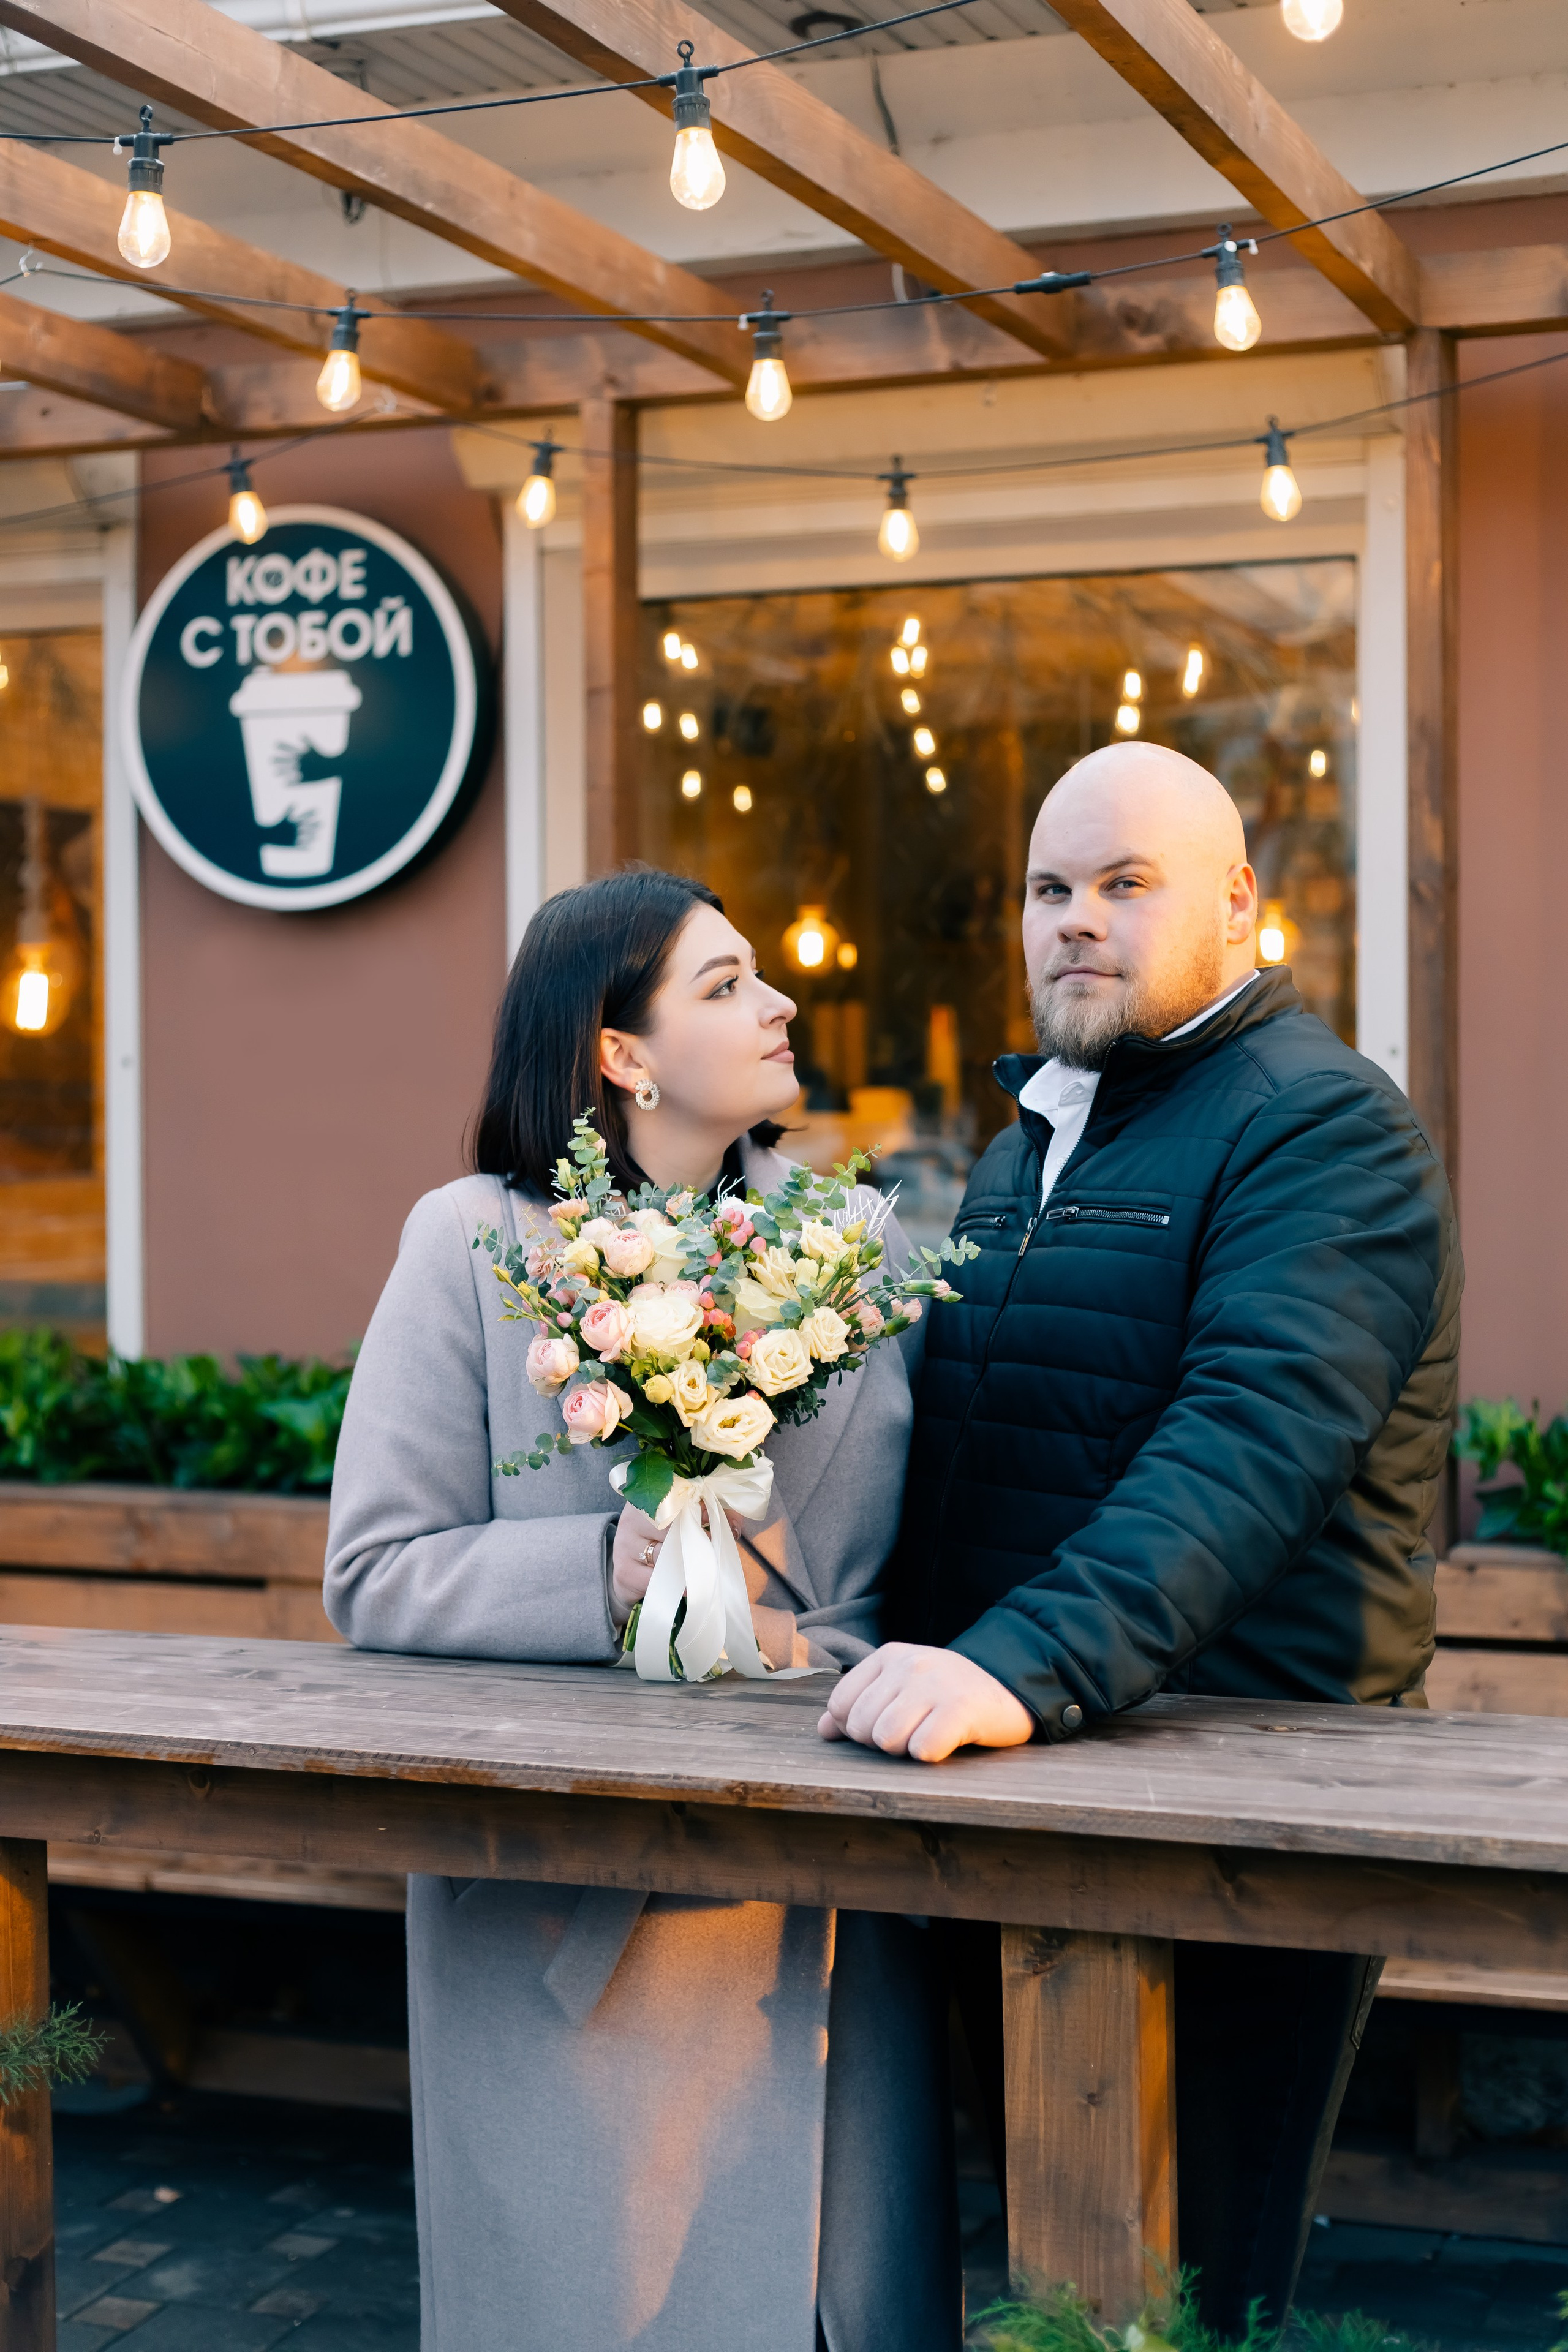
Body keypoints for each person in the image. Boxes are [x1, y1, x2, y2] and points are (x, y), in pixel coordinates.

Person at [821, 742, 1461, 2334]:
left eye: (1124, 884)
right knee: (1048, 2257)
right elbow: (966, 1449)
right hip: (1018, 1772)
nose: (1074, 922)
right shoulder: (1029, 1137)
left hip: (1245, 1792)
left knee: (1188, 2287)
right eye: (1049, 889)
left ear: (1241, 901)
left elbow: (1248, 1446)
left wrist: (1017, 1665)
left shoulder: (1323, 1130)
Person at [325, 868, 960, 2352]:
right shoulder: (473, 1244)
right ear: (619, 1052)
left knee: (832, 2307)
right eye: (726, 983)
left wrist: (831, 1648)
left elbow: (888, 1578)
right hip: (564, 1916)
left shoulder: (849, 1247)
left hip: (812, 1906)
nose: (778, 1002)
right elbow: (375, 1570)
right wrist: (597, 1580)